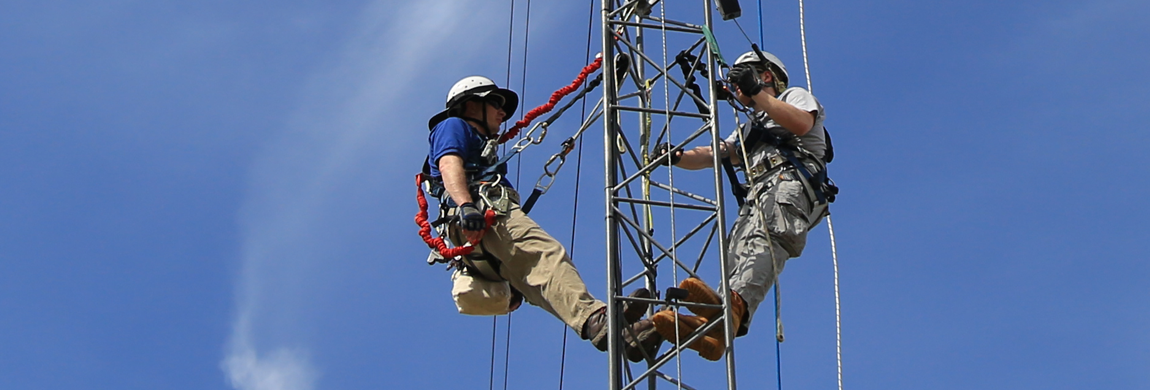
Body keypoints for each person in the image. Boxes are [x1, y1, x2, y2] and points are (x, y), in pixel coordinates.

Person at [425, 76, 660, 361]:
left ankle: (622, 335)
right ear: (472, 105)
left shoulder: (480, 144)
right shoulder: (453, 126)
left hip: (476, 235)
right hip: (482, 214)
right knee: (546, 256)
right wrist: (466, 206)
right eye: (496, 103)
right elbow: (449, 162)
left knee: (540, 281)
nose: (502, 112)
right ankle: (599, 321)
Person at [648, 50, 829, 361]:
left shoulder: (793, 97)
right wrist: (677, 157)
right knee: (736, 253)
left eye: (741, 81)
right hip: (759, 191)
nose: (737, 90)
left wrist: (757, 92)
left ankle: (728, 312)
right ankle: (714, 328)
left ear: (766, 76)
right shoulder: (750, 125)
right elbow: (716, 153)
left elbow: (800, 124)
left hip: (787, 185)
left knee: (764, 242)